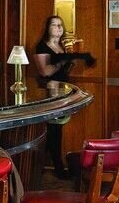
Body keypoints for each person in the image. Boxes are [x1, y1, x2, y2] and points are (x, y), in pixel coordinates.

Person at [32, 15, 95, 177]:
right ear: (47, 28)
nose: (59, 28)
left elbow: (64, 71)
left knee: (55, 130)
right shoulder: (42, 46)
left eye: (60, 25)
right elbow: (45, 71)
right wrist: (62, 61)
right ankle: (56, 168)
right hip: (49, 93)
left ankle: (40, 166)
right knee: (53, 130)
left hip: (62, 93)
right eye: (54, 25)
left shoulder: (61, 47)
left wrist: (69, 61)